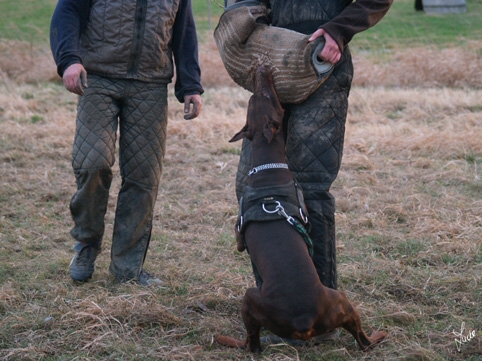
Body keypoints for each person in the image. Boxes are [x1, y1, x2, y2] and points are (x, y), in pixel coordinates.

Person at [234, 0, 392, 332]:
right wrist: (247, 23)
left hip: (322, 63)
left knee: (310, 187)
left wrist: (339, 29)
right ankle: (277, 311)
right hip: (274, 57)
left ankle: (321, 315)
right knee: (252, 190)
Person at [50, 0, 203, 286]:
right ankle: (87, 242)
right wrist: (69, 59)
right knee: (92, 163)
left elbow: (185, 32)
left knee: (143, 177)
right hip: (98, 79)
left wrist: (190, 85)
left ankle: (127, 270)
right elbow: (67, 11)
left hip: (151, 84)